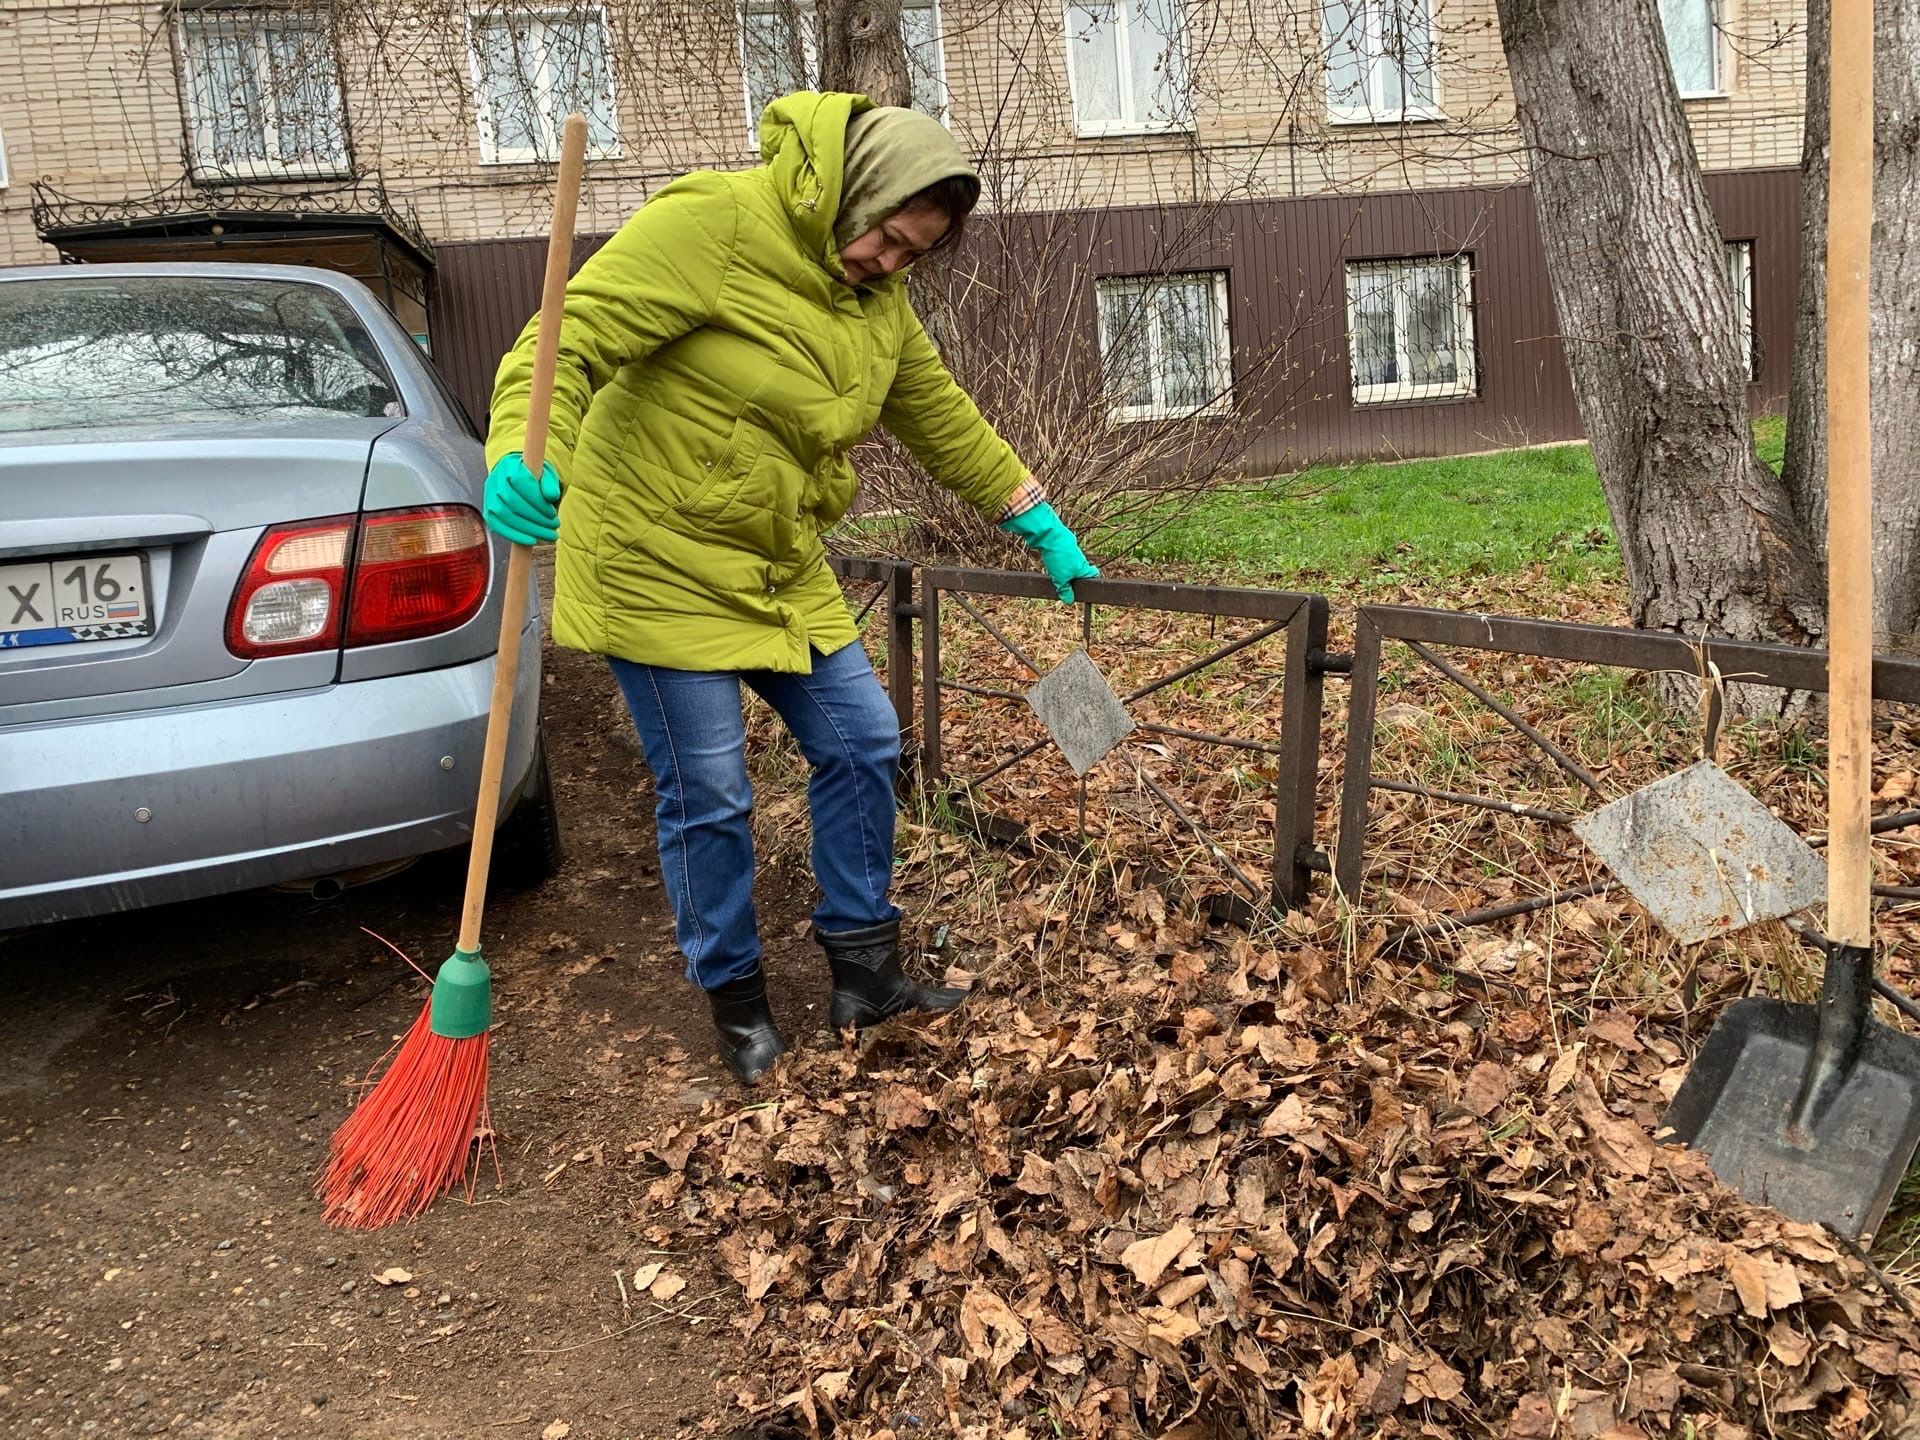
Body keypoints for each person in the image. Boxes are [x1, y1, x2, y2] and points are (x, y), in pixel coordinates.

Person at [481, 92, 1098, 1084]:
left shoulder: (876, 304)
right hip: (656, 554)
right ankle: (738, 1006)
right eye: (887, 241)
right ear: (854, 190)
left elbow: (942, 417)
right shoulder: (715, 222)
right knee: (712, 789)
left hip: (773, 561)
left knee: (862, 739)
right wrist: (519, 449)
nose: (890, 266)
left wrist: (1034, 514)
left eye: (912, 256)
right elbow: (565, 341)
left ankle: (866, 973)